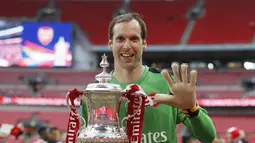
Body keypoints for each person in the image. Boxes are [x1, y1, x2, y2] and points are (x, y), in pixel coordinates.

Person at [80, 12, 216, 143]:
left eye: (134, 38)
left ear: (144, 43)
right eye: (120, 39)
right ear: (110, 44)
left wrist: (191, 109)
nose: (127, 46)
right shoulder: (96, 94)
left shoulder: (168, 84)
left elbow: (208, 136)